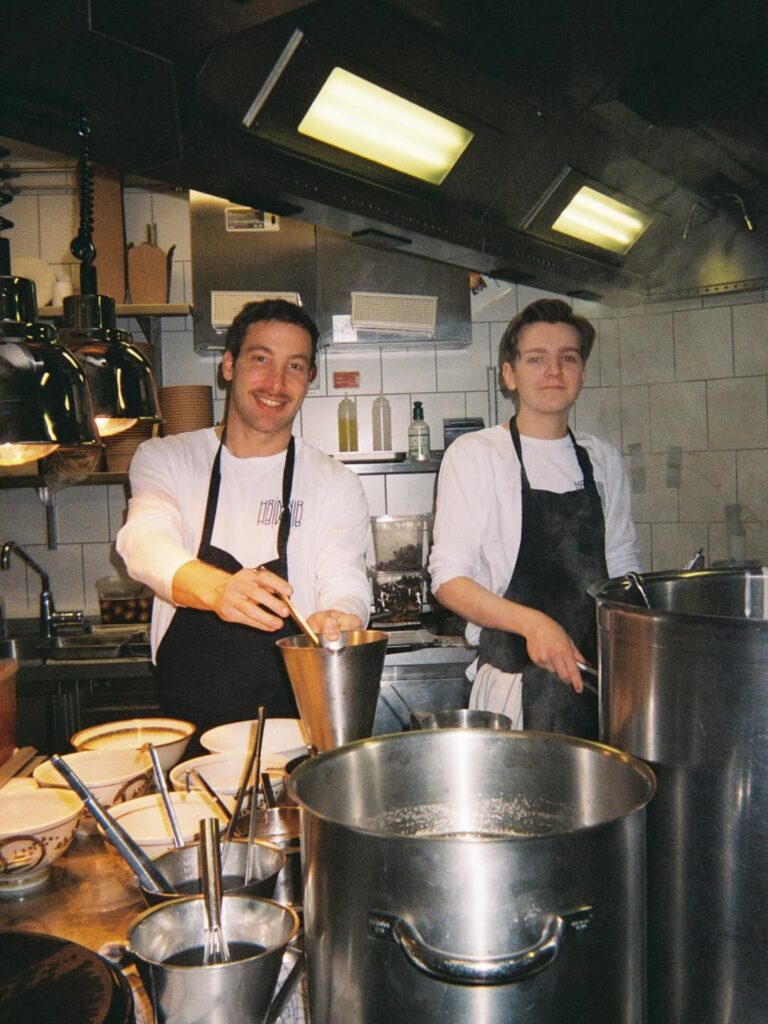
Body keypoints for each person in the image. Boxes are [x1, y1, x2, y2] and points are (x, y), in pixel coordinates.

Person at [117, 299, 371, 735]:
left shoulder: (334, 482)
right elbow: (142, 542)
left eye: (295, 366)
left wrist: (341, 616)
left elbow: (344, 580)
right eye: (261, 359)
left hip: (296, 733)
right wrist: (219, 590)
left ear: (310, 379)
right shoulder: (168, 459)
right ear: (229, 365)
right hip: (187, 735)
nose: (276, 383)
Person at [429, 298, 640, 739]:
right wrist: (533, 624)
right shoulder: (476, 455)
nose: (554, 371)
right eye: (536, 359)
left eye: (569, 358)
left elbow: (622, 570)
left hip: (597, 684)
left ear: (582, 372)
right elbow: (449, 580)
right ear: (509, 374)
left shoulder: (602, 459)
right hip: (515, 691)